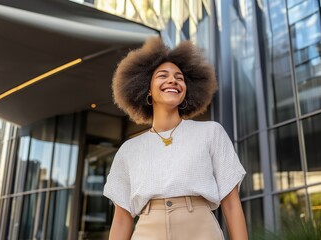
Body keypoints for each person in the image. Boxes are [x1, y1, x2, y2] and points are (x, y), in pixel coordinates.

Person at [103, 37, 247, 240]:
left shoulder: (211, 133)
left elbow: (231, 204)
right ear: (147, 89)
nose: (173, 80)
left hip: (201, 232)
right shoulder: (129, 150)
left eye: (179, 78)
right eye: (162, 76)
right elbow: (121, 219)